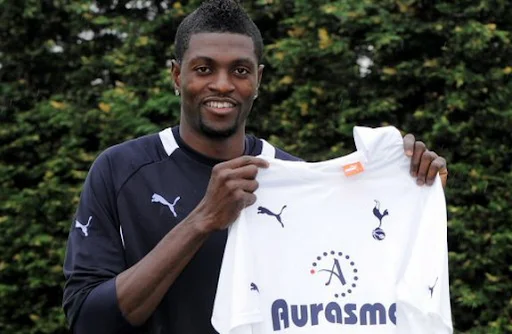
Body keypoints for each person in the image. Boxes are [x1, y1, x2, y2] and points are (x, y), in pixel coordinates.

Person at [62, 0, 448, 333]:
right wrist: (203, 220)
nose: (223, 84)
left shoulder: (297, 182)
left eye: (240, 71)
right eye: (204, 69)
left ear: (258, 80)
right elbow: (87, 320)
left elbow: (354, 293)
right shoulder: (119, 170)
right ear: (177, 75)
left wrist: (408, 189)